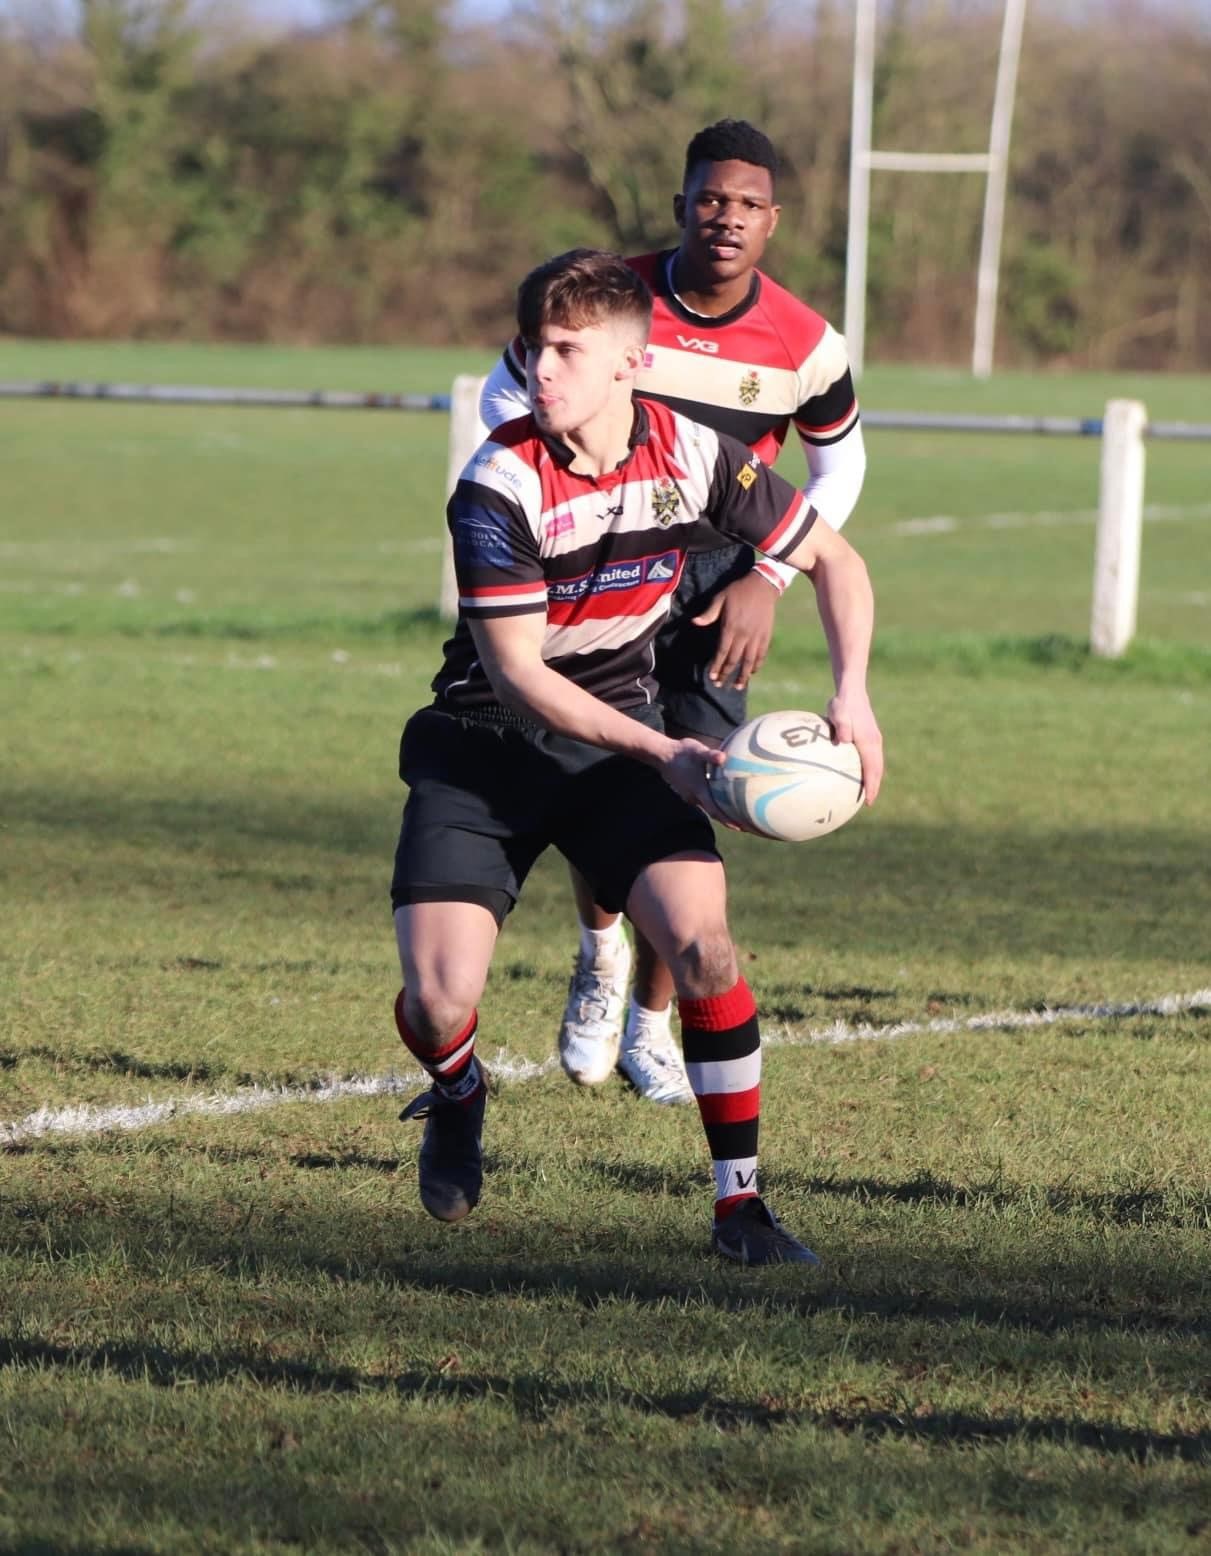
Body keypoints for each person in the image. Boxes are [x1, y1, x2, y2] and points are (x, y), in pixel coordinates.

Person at [390, 247, 883, 1266]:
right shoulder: (495, 483)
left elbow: (833, 556)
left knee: (703, 942)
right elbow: (521, 674)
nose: (541, 369)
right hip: (484, 745)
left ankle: (738, 1209)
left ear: (630, 361)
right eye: (533, 348)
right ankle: (457, 1088)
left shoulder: (693, 454)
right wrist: (667, 747)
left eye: (567, 349)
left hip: (610, 741)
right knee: (439, 999)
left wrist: (852, 695)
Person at [479, 119, 866, 1106]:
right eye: (708, 198)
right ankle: (601, 947)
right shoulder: (608, 303)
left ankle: (650, 1018)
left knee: (696, 788)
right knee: (604, 774)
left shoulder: (805, 343)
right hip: (602, 571)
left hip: (723, 589)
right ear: (681, 202)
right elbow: (503, 396)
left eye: (745, 204)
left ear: (771, 220)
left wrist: (767, 577)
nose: (724, 217)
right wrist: (579, 500)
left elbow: (840, 465)